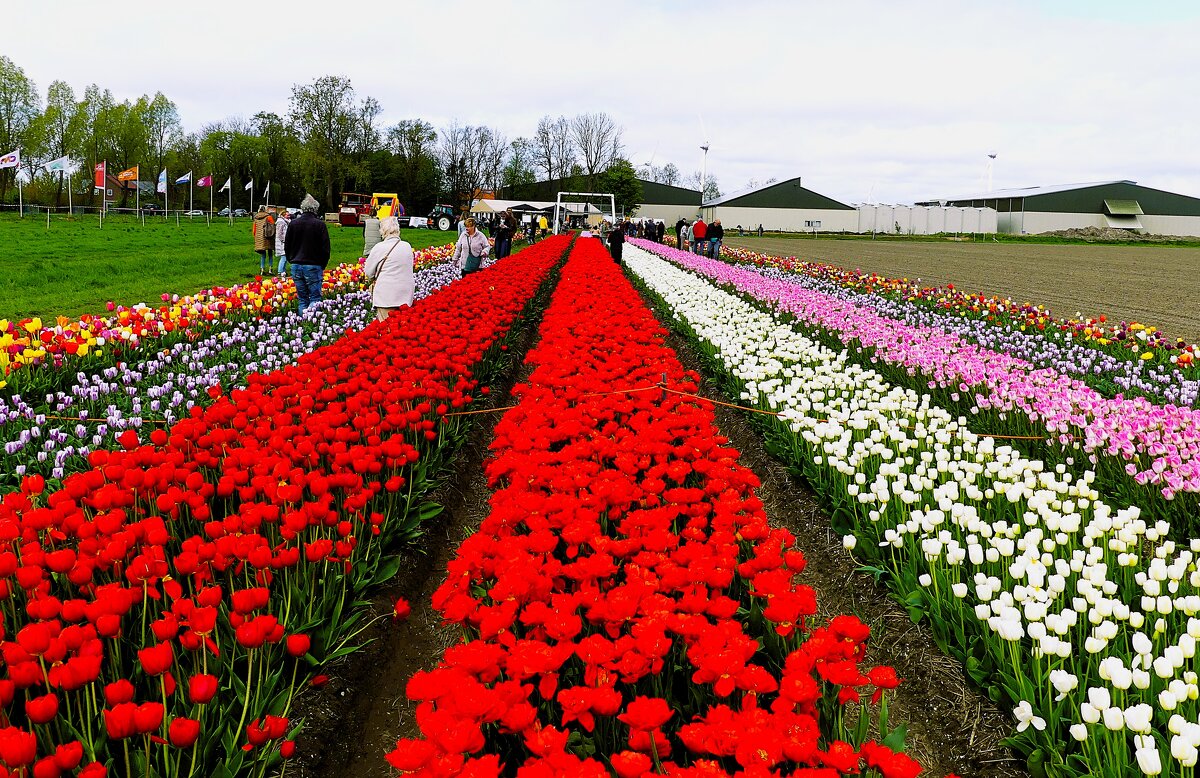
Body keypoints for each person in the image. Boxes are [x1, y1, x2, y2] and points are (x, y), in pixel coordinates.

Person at [284, 195, 331, 314]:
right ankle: (312, 325)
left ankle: (302, 324)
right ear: (315, 209)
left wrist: (291, 259)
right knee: (315, 298)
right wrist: (322, 264)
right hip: (313, 265)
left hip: (296, 264)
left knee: (302, 299)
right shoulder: (320, 225)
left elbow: (287, 245)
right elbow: (325, 248)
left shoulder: (293, 223)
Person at [363, 216, 415, 322]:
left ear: (382, 231)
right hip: (405, 295)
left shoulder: (379, 248)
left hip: (386, 296)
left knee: (386, 328)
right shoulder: (407, 246)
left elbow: (368, 272)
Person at [252, 206, 276, 275]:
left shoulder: (256, 218)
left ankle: (262, 269)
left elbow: (254, 230)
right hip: (268, 237)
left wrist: (256, 237)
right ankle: (270, 269)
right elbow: (273, 226)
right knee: (270, 253)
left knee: (263, 254)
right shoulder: (268, 217)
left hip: (259, 237)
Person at [274, 209, 291, 276]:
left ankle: (283, 272)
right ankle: (280, 271)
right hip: (282, 243)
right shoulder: (281, 222)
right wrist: (284, 240)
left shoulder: (285, 222)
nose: (289, 216)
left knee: (285, 257)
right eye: (287, 215)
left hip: (284, 242)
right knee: (284, 257)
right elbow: (279, 233)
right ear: (283, 215)